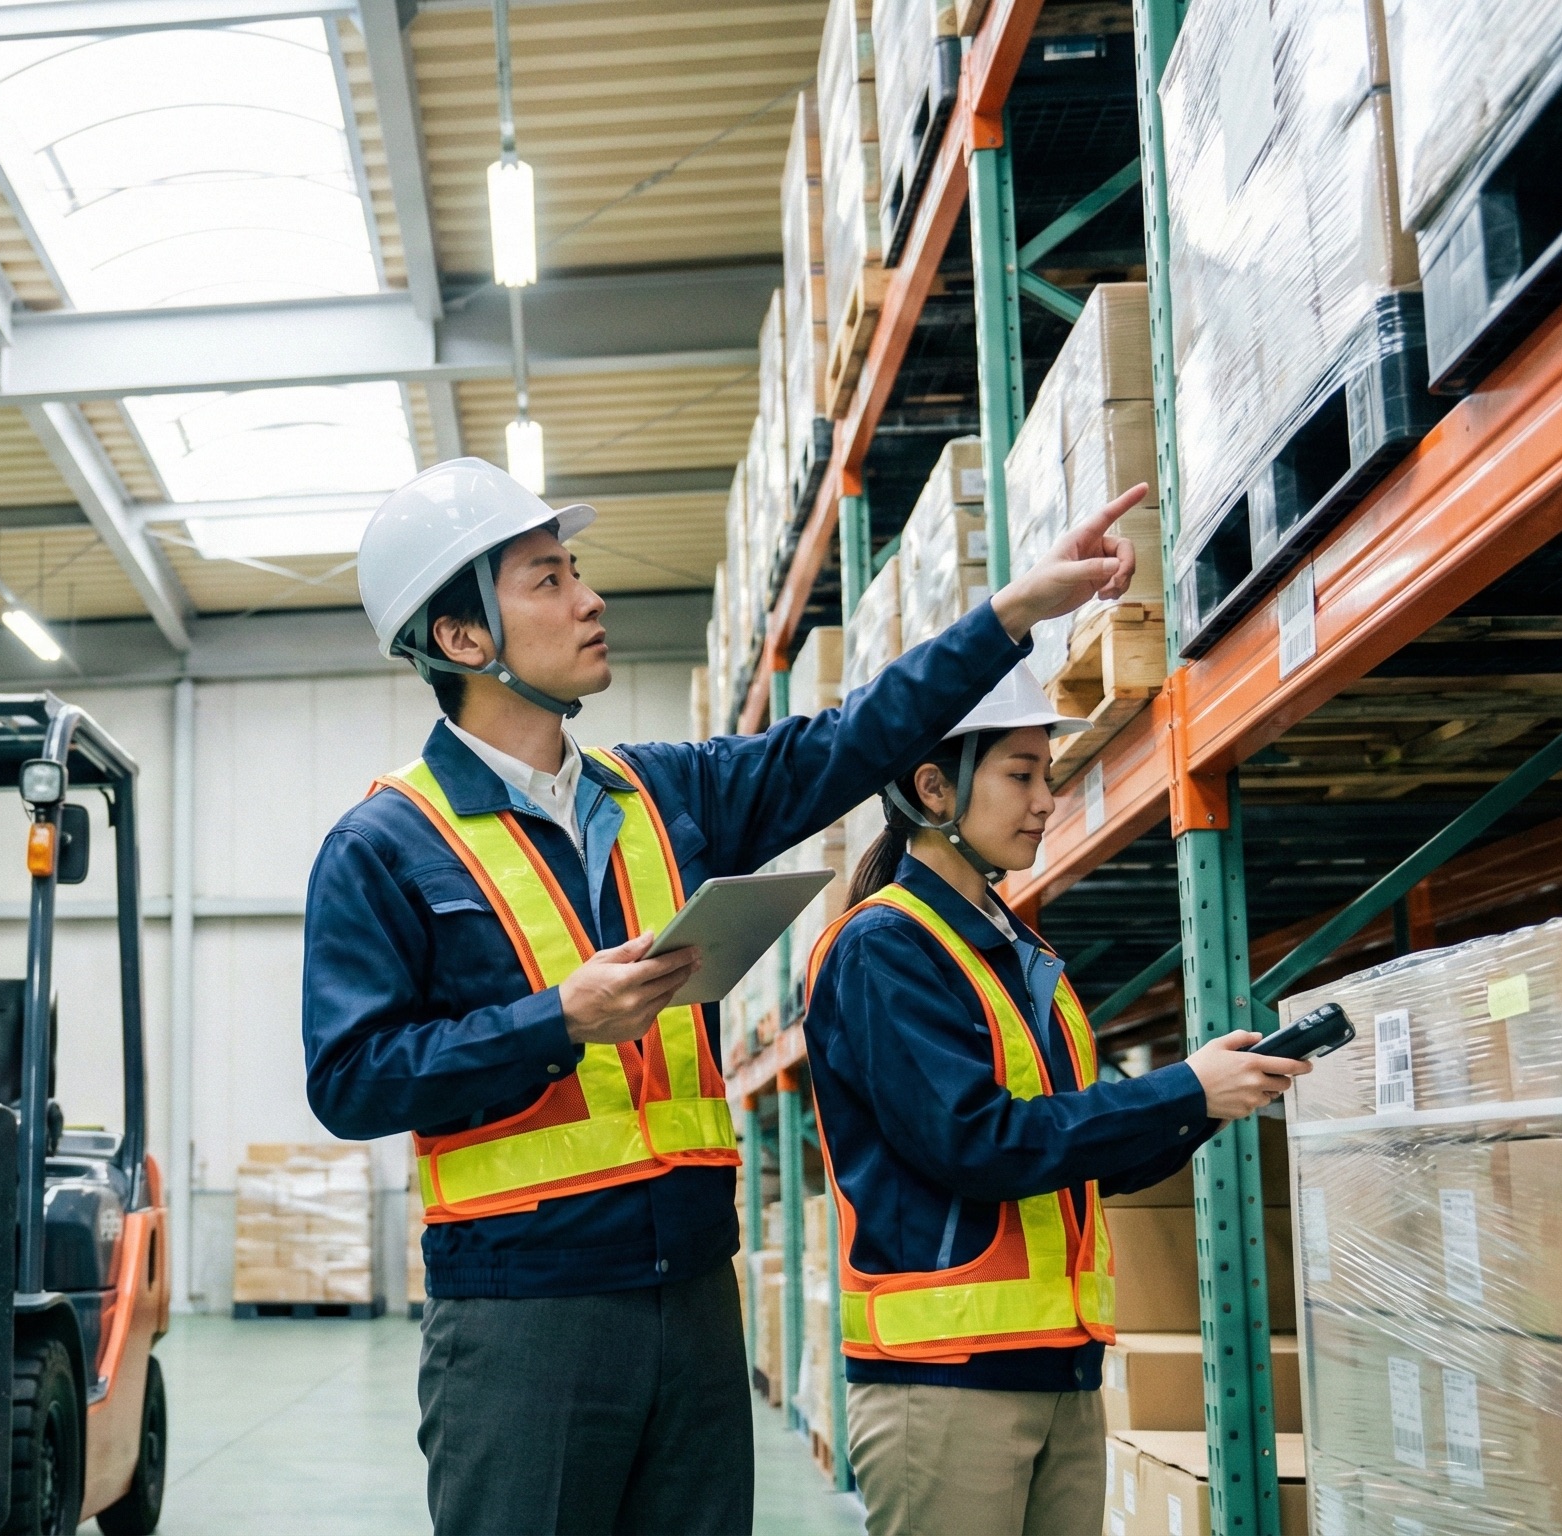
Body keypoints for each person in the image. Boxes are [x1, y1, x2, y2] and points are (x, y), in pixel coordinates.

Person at [301, 456, 1149, 1536]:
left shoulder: (663, 793)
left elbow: (850, 742)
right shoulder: (383, 845)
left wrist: (1010, 616)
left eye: (575, 571)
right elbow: (349, 1079)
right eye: (548, 579)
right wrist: (556, 1020)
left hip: (696, 1293)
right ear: (463, 638)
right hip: (522, 1316)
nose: (589, 598)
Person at [802, 668, 1310, 1536]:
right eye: (1020, 774)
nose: (1045, 800)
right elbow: (976, 1143)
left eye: (1047, 774)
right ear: (933, 790)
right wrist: (1181, 1087)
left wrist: (1204, 1103)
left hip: (1060, 1370)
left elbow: (1078, 1154)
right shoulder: (883, 947)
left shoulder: (1020, 954)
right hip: (945, 1376)